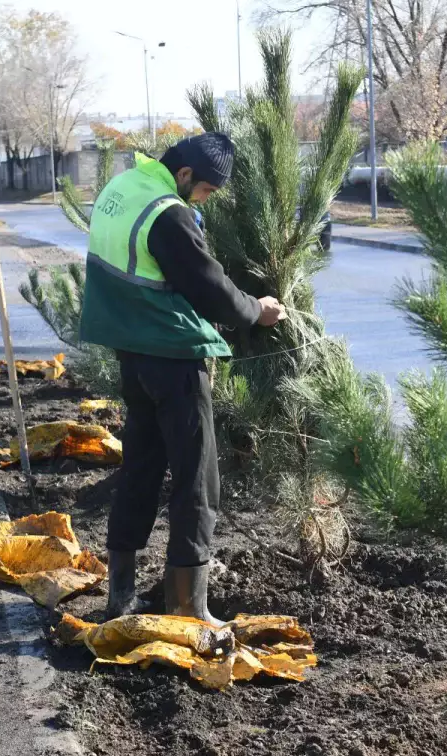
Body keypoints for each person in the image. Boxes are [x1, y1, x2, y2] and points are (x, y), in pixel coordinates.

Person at [78, 132, 286, 625]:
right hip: (173, 353)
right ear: (187, 173)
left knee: (141, 467)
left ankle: (121, 595)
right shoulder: (168, 212)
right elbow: (210, 286)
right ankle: (189, 608)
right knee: (197, 477)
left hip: (131, 349)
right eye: (207, 191)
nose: (204, 200)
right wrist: (258, 311)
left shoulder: (124, 186)